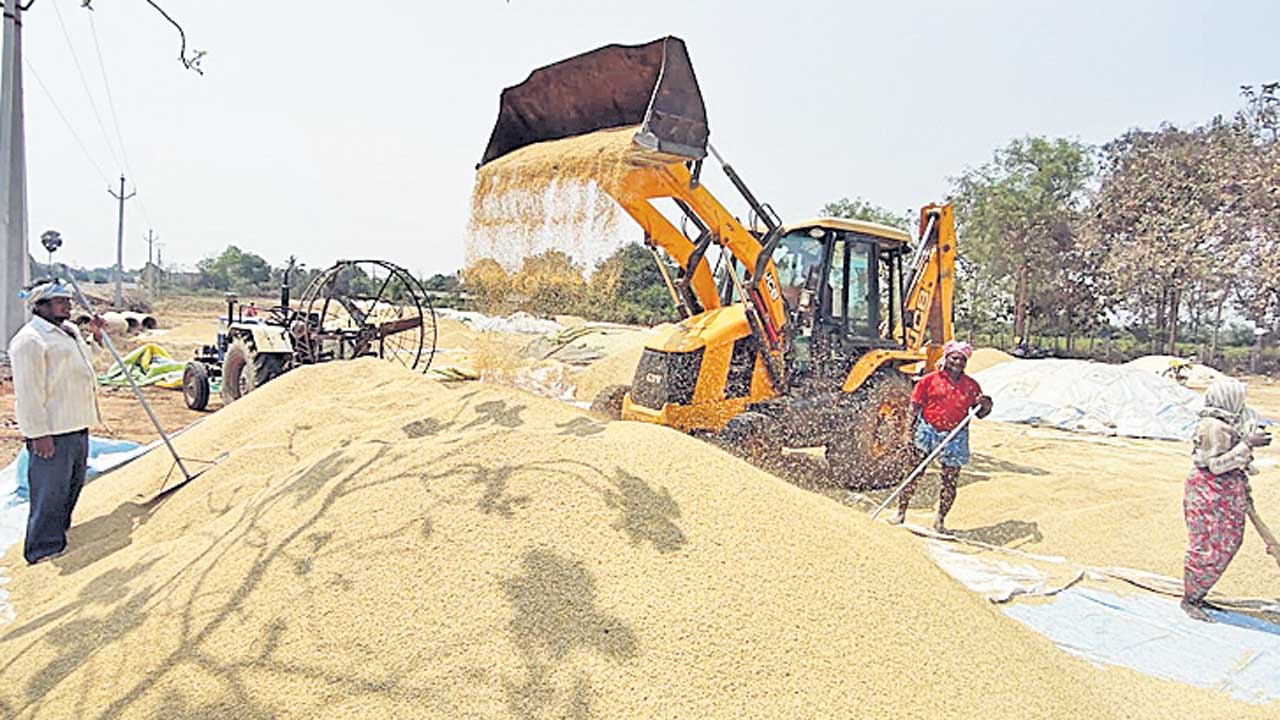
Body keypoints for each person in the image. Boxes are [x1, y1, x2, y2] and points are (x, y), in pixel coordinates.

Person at [9, 279, 104, 564]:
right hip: (52, 431)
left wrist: (96, 337)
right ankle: (42, 550)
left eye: (67, 300)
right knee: (49, 492)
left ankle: (59, 538)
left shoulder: (70, 332)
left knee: (72, 487)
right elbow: (28, 393)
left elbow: (87, 363)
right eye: (60, 301)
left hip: (76, 424)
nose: (67, 305)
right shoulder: (29, 341)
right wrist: (38, 434)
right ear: (40, 306)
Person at [1181, 377, 1270, 622]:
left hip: (1227, 492)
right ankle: (1191, 598)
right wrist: (1246, 445)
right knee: (1209, 546)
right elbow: (1216, 465)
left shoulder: (1227, 422)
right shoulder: (1213, 426)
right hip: (1210, 492)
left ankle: (1199, 593)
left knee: (1227, 541)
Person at [889, 339, 993, 532]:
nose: (958, 363)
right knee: (913, 473)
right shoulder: (928, 381)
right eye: (954, 358)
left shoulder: (971, 386)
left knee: (950, 480)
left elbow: (980, 412)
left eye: (962, 360)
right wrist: (908, 433)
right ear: (946, 358)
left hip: (955, 436)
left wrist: (986, 404)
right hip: (927, 430)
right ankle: (900, 513)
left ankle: (940, 521)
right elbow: (914, 408)